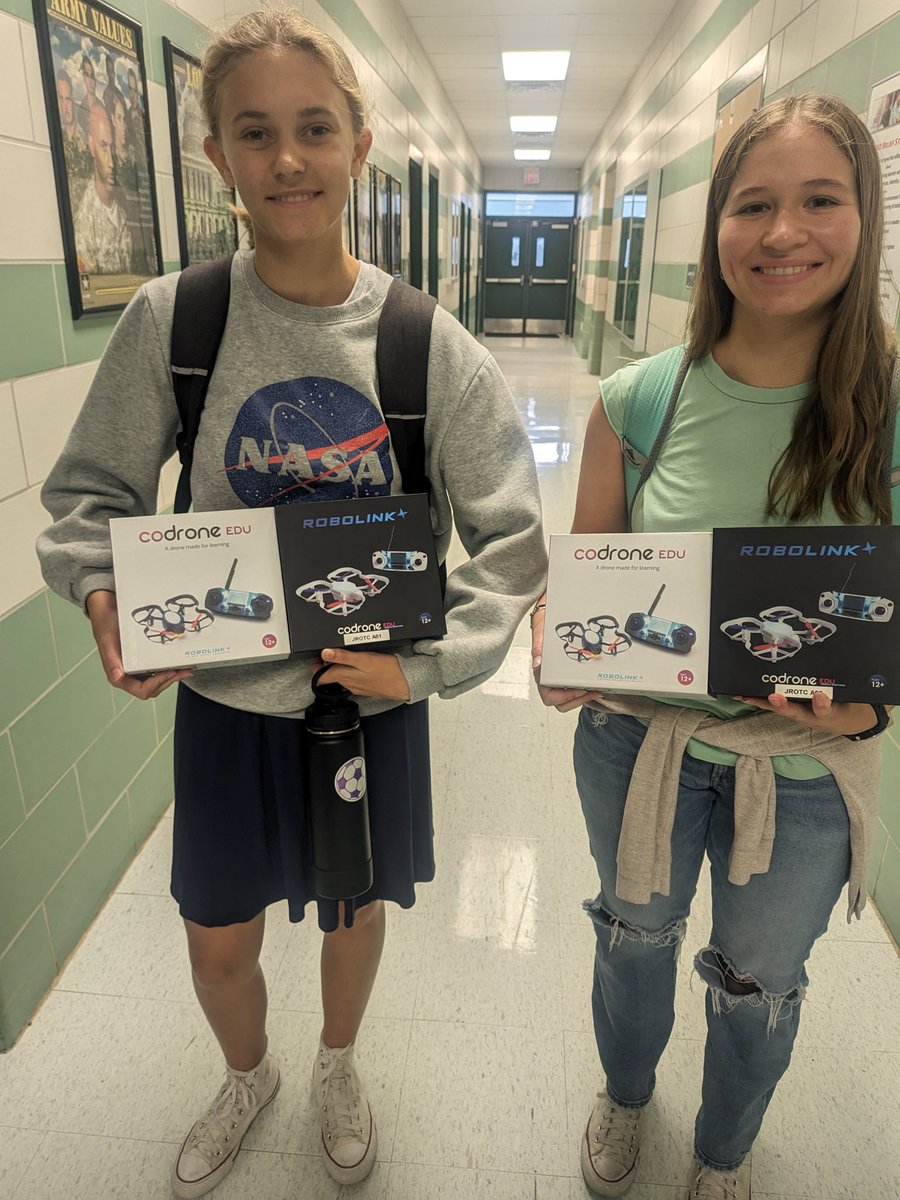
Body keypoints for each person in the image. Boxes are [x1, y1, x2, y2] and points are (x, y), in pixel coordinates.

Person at [36, 7, 545, 1198]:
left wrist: (422, 669)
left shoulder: (426, 343)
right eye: (254, 133)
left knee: (352, 907)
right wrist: (107, 593)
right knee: (217, 934)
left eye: (315, 128)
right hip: (224, 701)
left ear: (360, 142)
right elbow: (87, 496)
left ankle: (337, 1062)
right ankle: (249, 1072)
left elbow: (514, 544)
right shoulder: (178, 322)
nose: (287, 159)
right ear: (216, 156)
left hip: (368, 699)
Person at [532, 93, 895, 1200]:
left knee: (761, 983)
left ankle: (725, 1156)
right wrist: (565, 642)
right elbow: (587, 579)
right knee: (633, 937)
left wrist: (865, 710)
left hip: (808, 775)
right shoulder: (639, 400)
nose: (784, 232)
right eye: (755, 205)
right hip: (640, 746)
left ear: (864, 218)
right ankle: (626, 1094)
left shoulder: (888, 405)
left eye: (819, 200)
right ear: (717, 230)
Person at [74, 100, 133, 275]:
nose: (112, 162)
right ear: (91, 146)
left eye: (112, 147)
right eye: (103, 146)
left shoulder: (122, 212)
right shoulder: (85, 223)